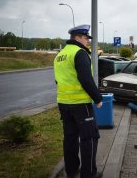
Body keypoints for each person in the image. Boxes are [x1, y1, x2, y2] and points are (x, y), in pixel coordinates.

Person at [54, 24, 103, 178]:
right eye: (86, 38)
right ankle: (88, 174)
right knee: (89, 138)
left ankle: (71, 170)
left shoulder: (60, 55)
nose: (88, 41)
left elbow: (58, 80)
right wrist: (98, 98)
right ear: (78, 37)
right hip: (81, 104)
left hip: (64, 104)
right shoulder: (79, 53)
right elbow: (86, 80)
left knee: (70, 138)